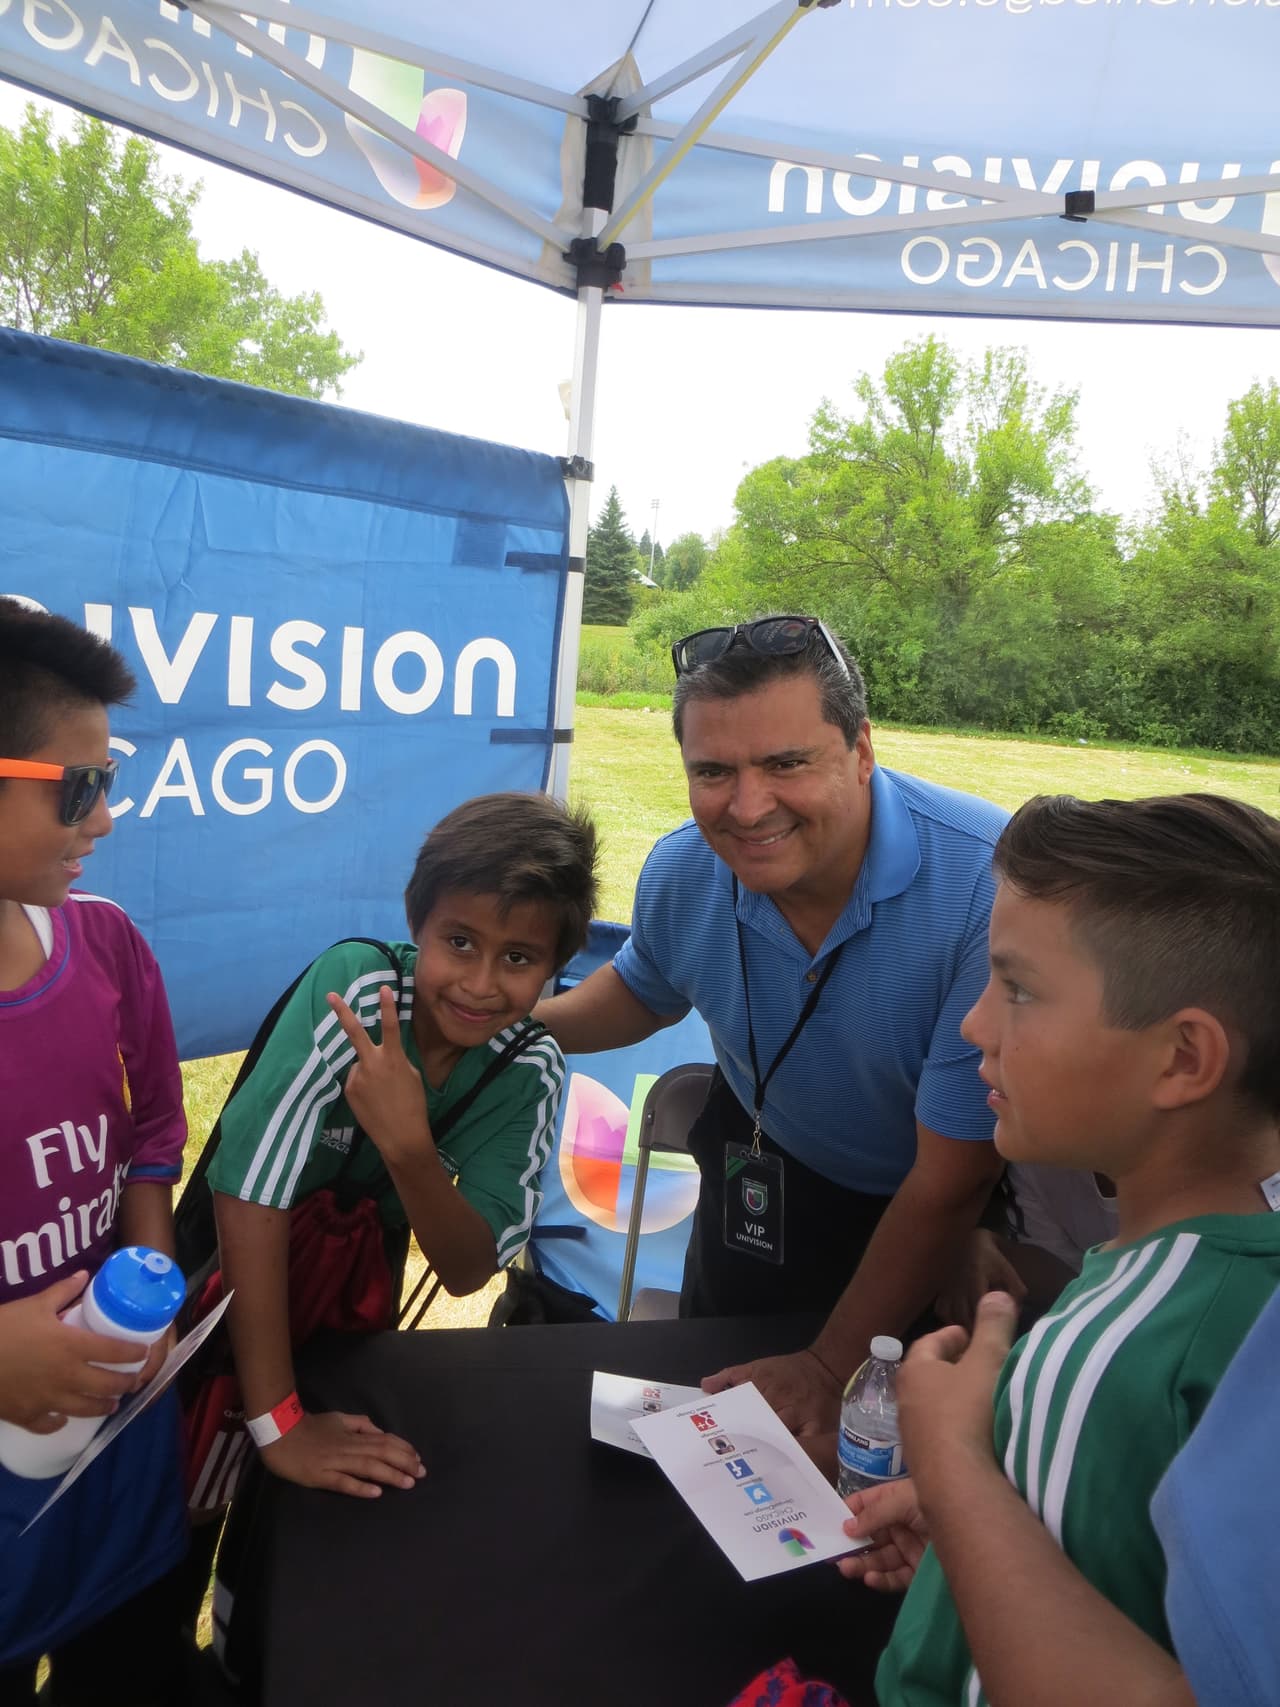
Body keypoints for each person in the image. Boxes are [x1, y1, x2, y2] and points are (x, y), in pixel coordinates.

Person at [836, 791, 1280, 1706]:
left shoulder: (1113, 1350)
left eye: (1019, 990)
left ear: (1183, 1060)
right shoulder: (1243, 1290)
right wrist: (977, 1533)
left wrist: (952, 1459)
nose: (974, 1027)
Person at [535, 615, 1007, 1446]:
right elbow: (647, 991)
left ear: (862, 749)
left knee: (870, 1469)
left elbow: (950, 1179)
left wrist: (830, 1367)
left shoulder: (984, 882)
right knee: (723, 1417)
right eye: (713, 771)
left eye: (786, 763)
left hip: (929, 1216)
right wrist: (509, 1025)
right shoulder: (686, 867)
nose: (747, 809)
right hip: (755, 1182)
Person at [207, 791, 597, 1497]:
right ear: (417, 922)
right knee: (192, 1492)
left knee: (303, 1510)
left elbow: (465, 1268)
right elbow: (247, 1195)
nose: (480, 984)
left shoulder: (527, 1068)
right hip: (229, 1290)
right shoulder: (356, 992)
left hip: (351, 1315)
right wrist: (279, 1421)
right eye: (458, 942)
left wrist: (410, 1149)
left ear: (556, 965)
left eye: (517, 956)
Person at [0, 600, 189, 1705]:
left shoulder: (106, 944)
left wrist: (150, 1288)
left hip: (117, 1479)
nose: (105, 819)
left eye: (108, 777)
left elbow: (152, 1145)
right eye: (79, 789)